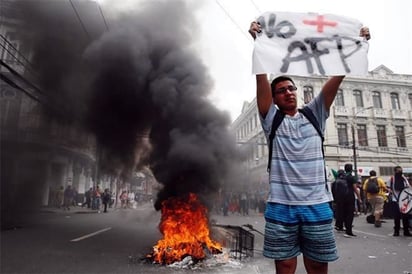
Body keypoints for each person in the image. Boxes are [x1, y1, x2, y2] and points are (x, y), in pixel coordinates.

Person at [248, 21, 370, 274]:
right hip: (281, 207)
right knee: (285, 265)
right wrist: (258, 45)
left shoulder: (315, 114)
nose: (288, 93)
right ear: (274, 98)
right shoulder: (272, 119)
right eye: (281, 91)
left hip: (317, 205)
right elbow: (261, 80)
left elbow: (337, 77)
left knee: (316, 266)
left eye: (292, 88)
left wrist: (356, 45)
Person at [334, 164, 362, 237]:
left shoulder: (340, 177)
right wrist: (359, 198)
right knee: (349, 215)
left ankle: (342, 227)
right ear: (352, 169)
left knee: (343, 213)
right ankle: (348, 231)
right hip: (349, 198)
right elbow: (355, 189)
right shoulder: (351, 178)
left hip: (341, 199)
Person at [388, 166, 411, 236]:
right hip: (395, 200)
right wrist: (391, 192)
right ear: (395, 171)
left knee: (405, 216)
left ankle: (406, 231)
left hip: (404, 201)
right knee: (397, 217)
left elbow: (408, 187)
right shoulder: (392, 179)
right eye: (398, 171)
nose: (400, 172)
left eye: (401, 171)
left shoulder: (404, 178)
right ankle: (396, 231)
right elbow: (388, 188)